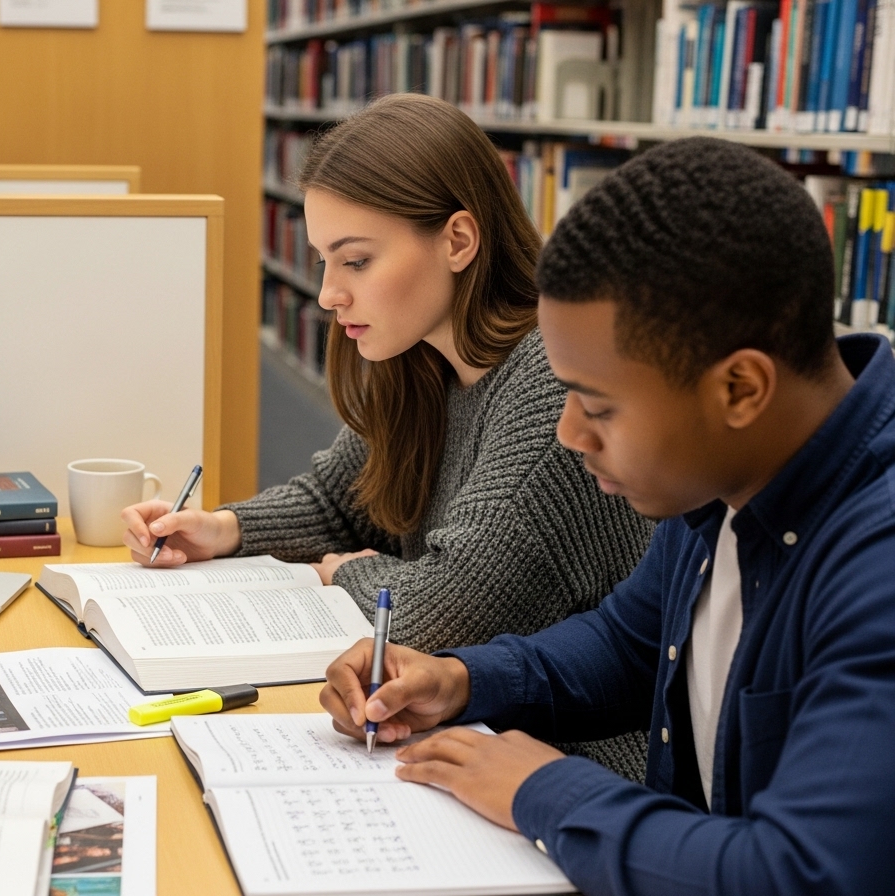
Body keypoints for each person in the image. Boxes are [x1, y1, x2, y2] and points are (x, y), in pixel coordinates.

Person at [319, 136, 895, 895]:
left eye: (599, 406)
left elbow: (801, 874)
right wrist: (458, 680)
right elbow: (629, 643)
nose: (569, 434)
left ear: (740, 390)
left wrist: (544, 790)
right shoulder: (721, 478)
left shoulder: (875, 561)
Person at [122, 94, 653, 774]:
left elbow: (442, 611)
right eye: (323, 261)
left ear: (458, 241)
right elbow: (340, 498)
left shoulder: (549, 388)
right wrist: (222, 528)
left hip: (579, 759)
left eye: (356, 261)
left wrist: (344, 572)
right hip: (471, 732)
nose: (327, 294)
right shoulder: (424, 359)